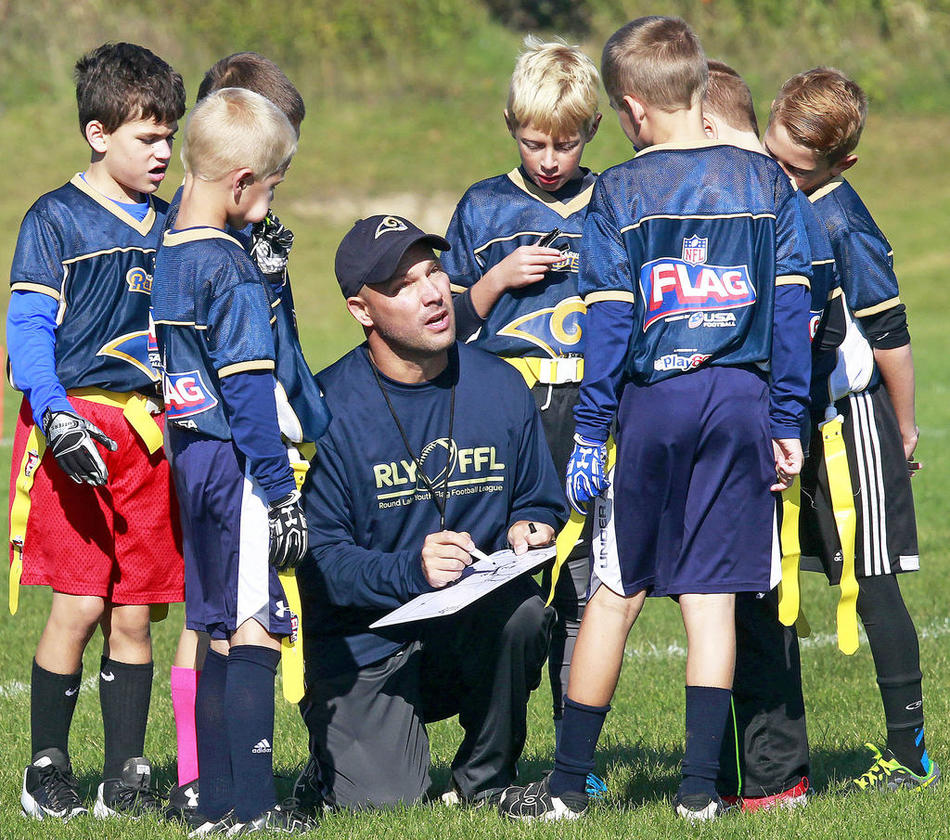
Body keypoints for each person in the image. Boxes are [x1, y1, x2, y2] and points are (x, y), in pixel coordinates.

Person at [497, 16, 812, 822]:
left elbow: (608, 326)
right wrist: (787, 421)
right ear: (702, 90)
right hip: (741, 400)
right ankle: (700, 793)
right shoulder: (767, 182)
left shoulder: (619, 193)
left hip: (652, 405)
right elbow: (789, 311)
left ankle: (568, 788)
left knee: (613, 590)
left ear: (631, 111)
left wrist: (593, 430)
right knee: (712, 600)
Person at [294, 214, 567, 810]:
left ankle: (485, 782)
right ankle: (328, 761)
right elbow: (322, 562)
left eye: (434, 270)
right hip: (363, 643)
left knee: (524, 616)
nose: (432, 293)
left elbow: (540, 495)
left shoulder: (500, 385)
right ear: (362, 310)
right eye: (402, 285)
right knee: (388, 803)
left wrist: (533, 522)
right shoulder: (323, 407)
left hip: (468, 627)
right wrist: (410, 572)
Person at [8, 42, 185, 821]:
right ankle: (46, 766)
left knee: (135, 611)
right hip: (77, 432)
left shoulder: (174, 222)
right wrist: (55, 413)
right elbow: (27, 328)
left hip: (152, 441)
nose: (163, 153)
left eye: (171, 138)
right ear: (98, 133)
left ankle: (128, 773)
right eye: (148, 138)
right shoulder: (54, 218)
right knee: (78, 605)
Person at [151, 87, 329, 834]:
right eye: (272, 184)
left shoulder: (168, 251)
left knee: (215, 624)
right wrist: (278, 491)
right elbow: (251, 391)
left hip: (191, 460)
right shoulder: (229, 269)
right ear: (240, 184)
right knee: (254, 625)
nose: (273, 197)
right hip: (236, 463)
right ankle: (255, 809)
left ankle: (216, 807)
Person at [763, 67, 940, 791]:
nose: (781, 173)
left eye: (797, 169)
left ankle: (910, 753)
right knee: (772, 580)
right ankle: (775, 758)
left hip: (851, 419)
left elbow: (890, 333)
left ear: (842, 164)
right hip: (787, 419)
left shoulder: (840, 217)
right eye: (774, 154)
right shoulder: (768, 201)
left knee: (872, 582)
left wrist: (902, 430)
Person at [441, 36, 602, 758]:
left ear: (590, 134)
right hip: (509, 414)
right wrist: (497, 277)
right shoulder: (483, 206)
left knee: (588, 585)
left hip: (591, 412)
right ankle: (492, 750)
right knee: (508, 584)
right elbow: (446, 322)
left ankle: (576, 758)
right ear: (511, 125)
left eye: (564, 145)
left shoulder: (613, 202)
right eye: (535, 142)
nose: (549, 159)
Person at [700, 59, 845, 811]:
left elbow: (812, 330)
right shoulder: (720, 199)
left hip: (764, 430)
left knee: (759, 598)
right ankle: (716, 775)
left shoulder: (777, 209)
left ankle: (776, 774)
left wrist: (782, 418)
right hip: (719, 426)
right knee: (713, 599)